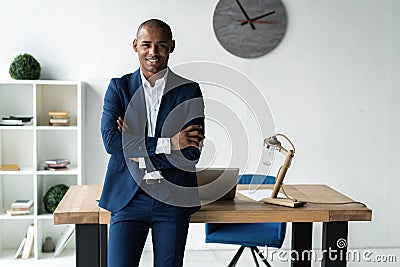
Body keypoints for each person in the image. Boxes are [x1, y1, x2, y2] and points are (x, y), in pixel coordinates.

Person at [99, 19, 205, 267]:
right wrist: (169, 143)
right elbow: (112, 143)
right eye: (146, 44)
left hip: (172, 199)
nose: (153, 52)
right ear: (135, 45)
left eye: (161, 45)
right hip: (128, 197)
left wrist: (135, 144)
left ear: (172, 46)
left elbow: (190, 153)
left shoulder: (189, 91)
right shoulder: (119, 88)